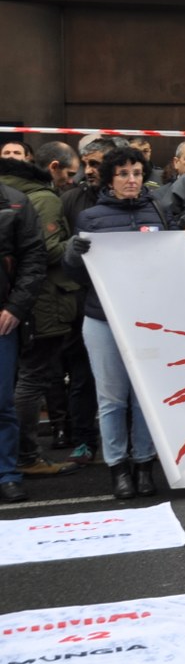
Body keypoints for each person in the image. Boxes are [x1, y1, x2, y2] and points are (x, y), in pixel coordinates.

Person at [61, 146, 168, 501]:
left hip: (149, 320)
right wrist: (72, 253)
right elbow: (75, 273)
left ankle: (143, 464)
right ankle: (118, 468)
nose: (131, 180)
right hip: (103, 318)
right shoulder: (91, 217)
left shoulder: (158, 210)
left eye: (137, 173)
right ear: (110, 179)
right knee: (111, 399)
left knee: (144, 398)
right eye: (123, 174)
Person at [0, 167, 46, 503]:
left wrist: (15, 307)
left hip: (3, 318)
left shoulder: (15, 203)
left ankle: (8, 474)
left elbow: (33, 257)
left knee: (2, 403)